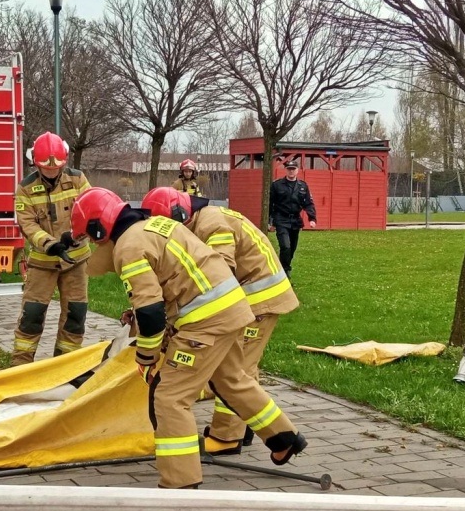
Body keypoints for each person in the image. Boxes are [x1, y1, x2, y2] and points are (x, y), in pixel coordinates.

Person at [71, 187, 307, 489]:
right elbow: (176, 282)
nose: (92, 244)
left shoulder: (128, 248)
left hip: (205, 324)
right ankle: (285, 438)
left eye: (90, 237)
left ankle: (180, 483)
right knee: (231, 379)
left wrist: (146, 356)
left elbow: (152, 313)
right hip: (233, 310)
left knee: (169, 398)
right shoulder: (157, 226)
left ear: (98, 226)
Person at [141, 187, 298, 456]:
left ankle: (228, 437)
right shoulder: (199, 222)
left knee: (234, 371)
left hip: (257, 301)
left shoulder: (212, 223)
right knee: (240, 369)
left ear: (180, 217)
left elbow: (220, 270)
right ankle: (253, 425)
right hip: (247, 300)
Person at [11, 132, 92, 366]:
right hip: (42, 263)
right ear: (35, 163)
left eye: (56, 168)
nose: (51, 171)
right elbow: (27, 223)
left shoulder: (78, 179)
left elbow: (90, 210)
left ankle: (65, 365)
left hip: (76, 262)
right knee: (32, 315)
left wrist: (74, 235)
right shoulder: (25, 188)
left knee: (76, 314)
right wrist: (51, 244)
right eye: (46, 168)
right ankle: (21, 366)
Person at [267, 162, 316, 276]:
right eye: (289, 169)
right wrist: (270, 222)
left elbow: (308, 203)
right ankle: (285, 272)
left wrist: (312, 218)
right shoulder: (277, 185)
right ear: (285, 170)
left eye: (293, 169)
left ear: (297, 170)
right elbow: (270, 204)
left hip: (295, 221)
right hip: (281, 219)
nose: (291, 171)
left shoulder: (303, 186)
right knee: (285, 246)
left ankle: (282, 268)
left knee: (292, 249)